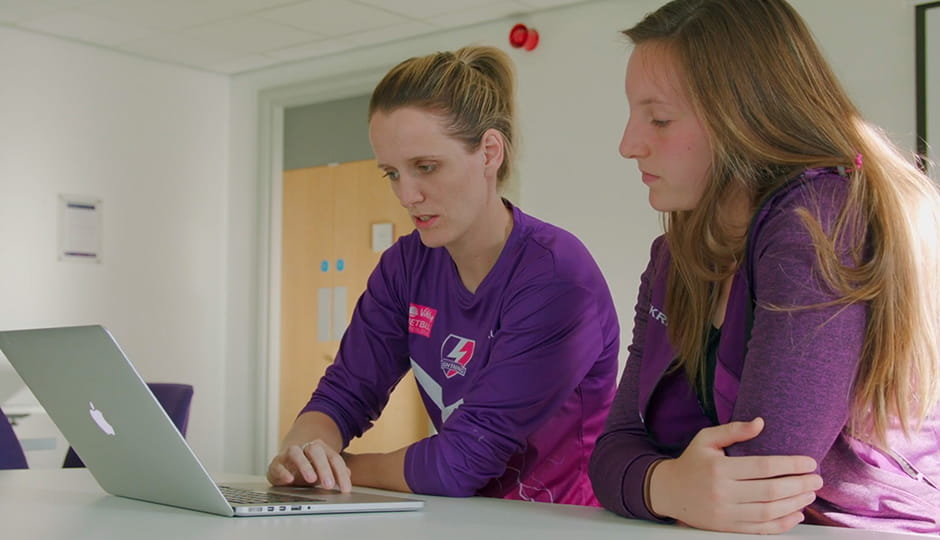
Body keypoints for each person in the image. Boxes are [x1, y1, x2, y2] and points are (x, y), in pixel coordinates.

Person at [588, 0, 940, 534]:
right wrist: (670, 486)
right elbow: (614, 447)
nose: (627, 145)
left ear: (744, 115)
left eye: (659, 118)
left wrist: (662, 486)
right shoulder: (674, 255)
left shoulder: (818, 218)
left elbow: (763, 477)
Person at [268, 45, 619, 506]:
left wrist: (337, 470)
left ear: (490, 152)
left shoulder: (555, 277)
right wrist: (303, 453)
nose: (407, 195)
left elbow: (460, 464)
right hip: (460, 519)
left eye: (426, 167)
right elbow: (345, 393)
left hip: (559, 524)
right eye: (391, 173)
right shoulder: (405, 266)